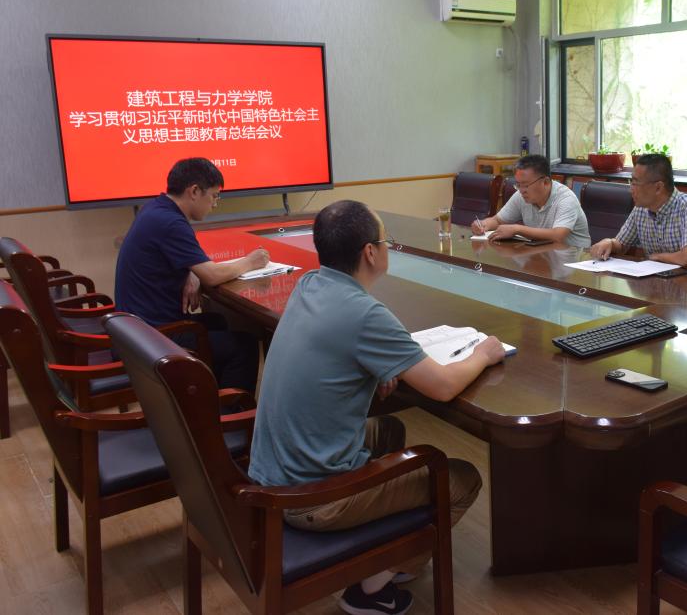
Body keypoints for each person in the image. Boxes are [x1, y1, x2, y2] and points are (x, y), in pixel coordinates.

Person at [248, 200, 506, 615]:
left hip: (273, 471)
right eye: (387, 242)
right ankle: (368, 588)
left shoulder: (310, 284)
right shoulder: (365, 314)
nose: (389, 248)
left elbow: (335, 351)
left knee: (389, 432)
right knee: (460, 479)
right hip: (313, 498)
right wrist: (483, 354)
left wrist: (374, 367)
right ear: (370, 252)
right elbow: (442, 387)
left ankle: (381, 546)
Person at [115, 157, 269, 392]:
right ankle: (229, 412)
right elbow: (212, 275)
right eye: (214, 196)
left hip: (136, 330)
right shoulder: (170, 222)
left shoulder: (156, 209)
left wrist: (192, 271)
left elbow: (197, 266)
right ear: (195, 191)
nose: (215, 204)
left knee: (217, 321)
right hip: (153, 337)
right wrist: (251, 261)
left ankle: (207, 399)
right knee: (244, 346)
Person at [589, 153, 687, 269]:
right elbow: (621, 245)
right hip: (657, 279)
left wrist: (657, 257)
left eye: (635, 183)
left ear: (658, 187)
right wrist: (610, 243)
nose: (630, 189)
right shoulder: (641, 209)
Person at [471, 154, 591, 248]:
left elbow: (558, 235)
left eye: (526, 185)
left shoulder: (566, 199)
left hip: (575, 259)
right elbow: (498, 220)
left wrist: (517, 229)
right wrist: (483, 224)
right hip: (542, 252)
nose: (521, 190)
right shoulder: (521, 195)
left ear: (545, 182)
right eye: (518, 184)